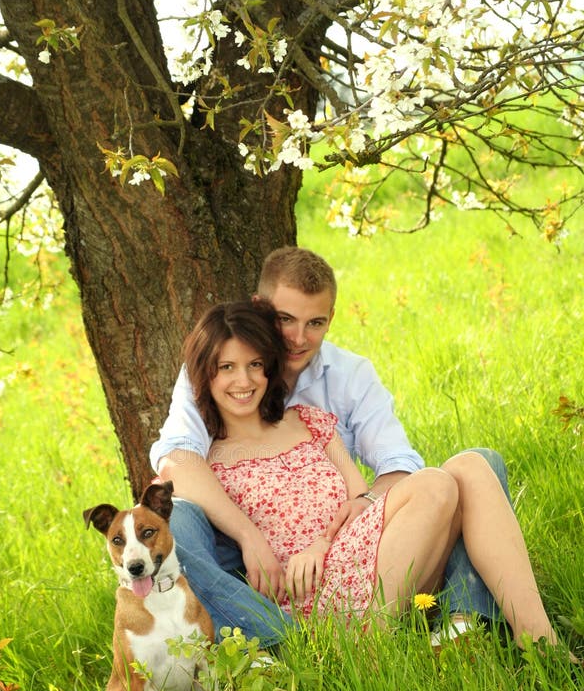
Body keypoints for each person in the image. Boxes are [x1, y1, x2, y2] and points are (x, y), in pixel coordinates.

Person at [150, 247, 502, 645]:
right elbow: (177, 460)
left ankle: (465, 624)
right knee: (175, 517)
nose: (299, 338)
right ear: (262, 310)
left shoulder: (330, 398)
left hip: (348, 542)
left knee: (471, 470)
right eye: (286, 320)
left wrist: (355, 515)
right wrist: (250, 538)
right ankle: (271, 642)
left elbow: (397, 464)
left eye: (314, 322)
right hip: (250, 556)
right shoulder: (211, 370)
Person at [178, 299, 565, 652]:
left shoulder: (309, 423)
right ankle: (367, 648)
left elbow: (360, 501)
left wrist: (320, 543)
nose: (243, 381)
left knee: (470, 466)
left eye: (254, 365)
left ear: (269, 367)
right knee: (435, 482)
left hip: (369, 560)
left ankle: (539, 640)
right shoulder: (207, 461)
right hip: (308, 595)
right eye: (226, 367)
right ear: (205, 374)